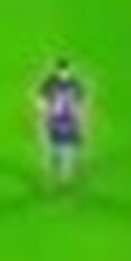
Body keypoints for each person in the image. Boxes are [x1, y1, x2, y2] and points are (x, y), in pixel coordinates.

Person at [33, 57, 88, 188]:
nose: (63, 73)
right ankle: (57, 171)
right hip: (55, 119)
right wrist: (41, 114)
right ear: (56, 70)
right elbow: (41, 101)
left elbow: (81, 103)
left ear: (69, 70)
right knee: (55, 146)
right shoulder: (49, 83)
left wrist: (82, 118)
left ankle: (71, 169)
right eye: (61, 71)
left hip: (71, 119)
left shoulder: (75, 84)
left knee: (73, 145)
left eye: (65, 71)